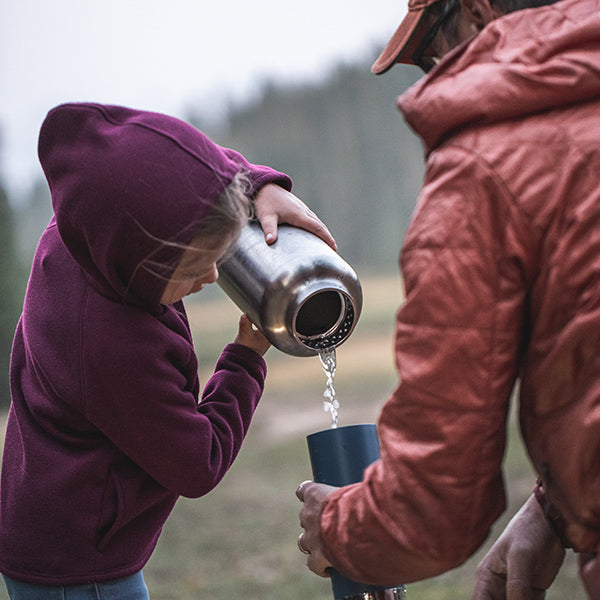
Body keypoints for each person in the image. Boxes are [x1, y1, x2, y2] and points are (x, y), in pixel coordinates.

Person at [295, 0, 600, 596]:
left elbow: (435, 504)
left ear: (481, 10)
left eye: (433, 44)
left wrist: (334, 527)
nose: (435, 71)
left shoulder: (486, 163)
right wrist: (553, 510)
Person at [0, 102, 334, 599]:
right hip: (78, 569)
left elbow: (179, 170)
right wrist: (245, 358)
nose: (213, 277)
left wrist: (256, 184)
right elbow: (196, 462)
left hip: (45, 529)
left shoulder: (88, 226)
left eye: (217, 255)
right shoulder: (114, 344)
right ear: (142, 261)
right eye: (193, 266)